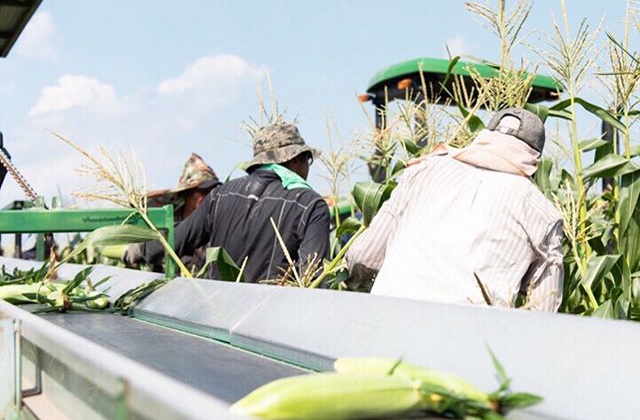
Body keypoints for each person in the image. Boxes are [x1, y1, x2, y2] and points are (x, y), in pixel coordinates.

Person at [346, 107, 564, 312]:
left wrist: (354, 282)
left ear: (484, 138)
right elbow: (543, 308)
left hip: (387, 321)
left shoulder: (424, 170)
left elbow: (364, 256)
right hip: (469, 341)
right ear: (534, 158)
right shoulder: (542, 213)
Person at [126, 122, 331, 283]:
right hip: (271, 324)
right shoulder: (310, 205)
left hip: (218, 318)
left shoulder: (220, 195)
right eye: (307, 159)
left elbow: (175, 241)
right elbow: (313, 279)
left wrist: (137, 251)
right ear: (294, 158)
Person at [143, 153, 221, 272]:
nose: (209, 196)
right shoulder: (167, 226)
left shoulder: (216, 228)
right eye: (204, 191)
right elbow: (151, 250)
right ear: (187, 194)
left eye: (213, 191)